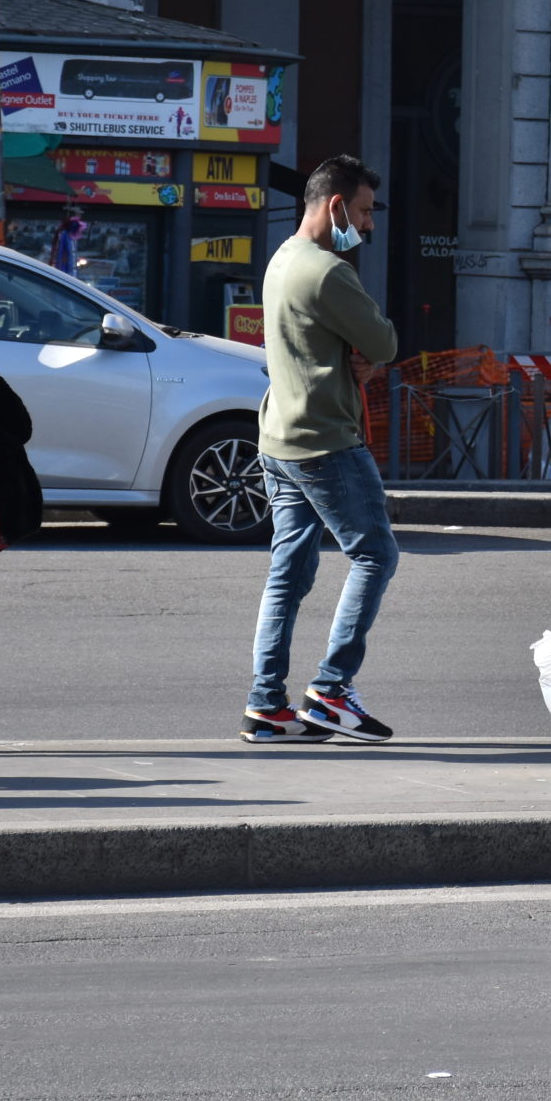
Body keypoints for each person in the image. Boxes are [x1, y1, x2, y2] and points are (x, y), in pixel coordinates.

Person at [243, 154, 403, 745]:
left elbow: (321, 346)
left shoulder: (282, 259)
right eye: (363, 211)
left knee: (287, 574)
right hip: (325, 440)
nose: (367, 226)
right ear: (336, 204)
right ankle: (332, 691)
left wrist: (347, 358)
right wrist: (361, 359)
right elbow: (383, 342)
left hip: (278, 435)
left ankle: (266, 704)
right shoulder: (329, 272)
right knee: (375, 556)